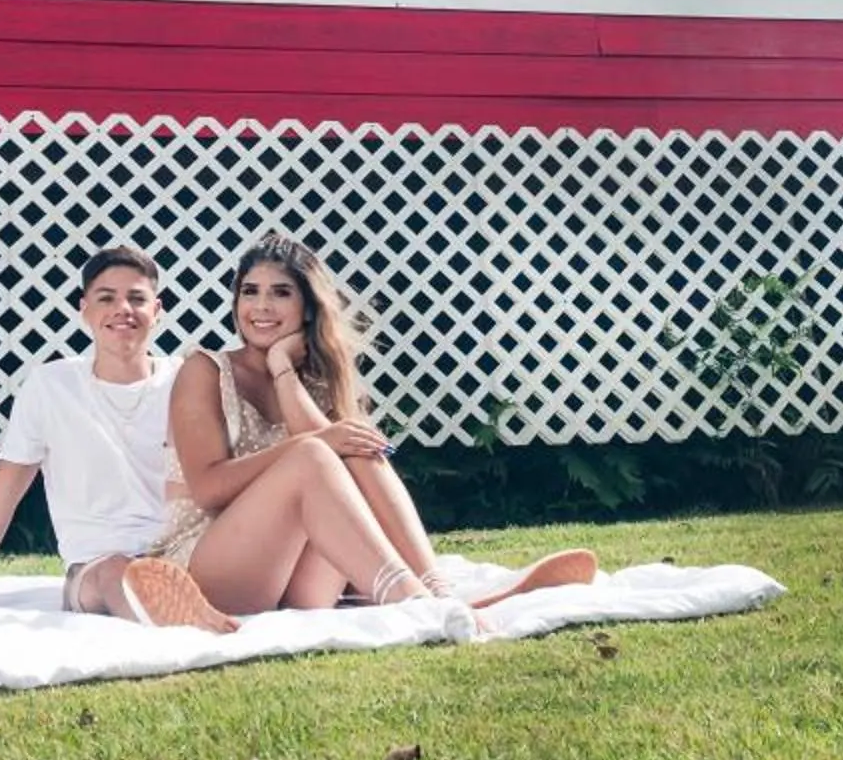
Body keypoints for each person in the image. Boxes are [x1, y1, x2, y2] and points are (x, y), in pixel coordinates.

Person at [155, 233, 598, 616]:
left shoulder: (312, 378)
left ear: (308, 307)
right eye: (249, 292)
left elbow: (342, 460)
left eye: (281, 293)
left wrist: (282, 371)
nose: (261, 306)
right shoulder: (206, 369)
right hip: (210, 568)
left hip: (295, 588)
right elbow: (209, 488)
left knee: (353, 448)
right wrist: (313, 442)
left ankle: (437, 594)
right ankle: (414, 602)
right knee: (317, 450)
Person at [0, 245, 240, 632]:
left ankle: (182, 607)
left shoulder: (186, 378)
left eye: (136, 298)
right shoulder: (51, 385)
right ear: (85, 309)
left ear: (157, 311)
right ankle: (176, 626)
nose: (122, 309)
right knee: (116, 572)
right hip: (96, 569)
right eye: (106, 298)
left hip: (186, 553)